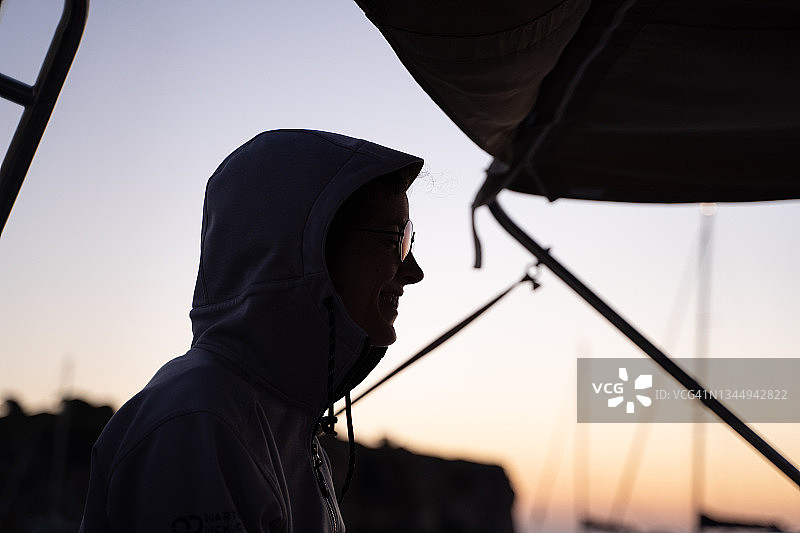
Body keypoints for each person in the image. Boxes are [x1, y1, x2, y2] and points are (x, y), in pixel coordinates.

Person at [79, 129, 424, 532]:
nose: (414, 271)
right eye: (396, 239)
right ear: (307, 248)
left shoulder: (281, 422)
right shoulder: (200, 424)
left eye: (409, 237)